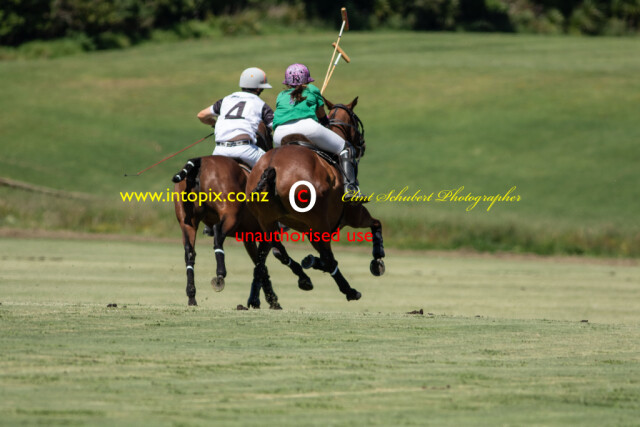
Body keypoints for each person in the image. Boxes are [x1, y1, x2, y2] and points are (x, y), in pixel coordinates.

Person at [272, 63, 361, 199]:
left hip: (280, 134)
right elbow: (321, 115)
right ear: (307, 79)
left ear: (287, 82)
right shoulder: (312, 89)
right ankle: (350, 189)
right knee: (346, 149)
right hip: (308, 128)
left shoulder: (281, 95)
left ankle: (271, 189)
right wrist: (325, 122)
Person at [197, 67, 274, 168]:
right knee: (274, 167)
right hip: (246, 151)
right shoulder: (260, 104)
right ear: (259, 88)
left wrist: (214, 124)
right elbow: (274, 126)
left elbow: (201, 115)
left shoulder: (225, 100)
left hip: (219, 151)